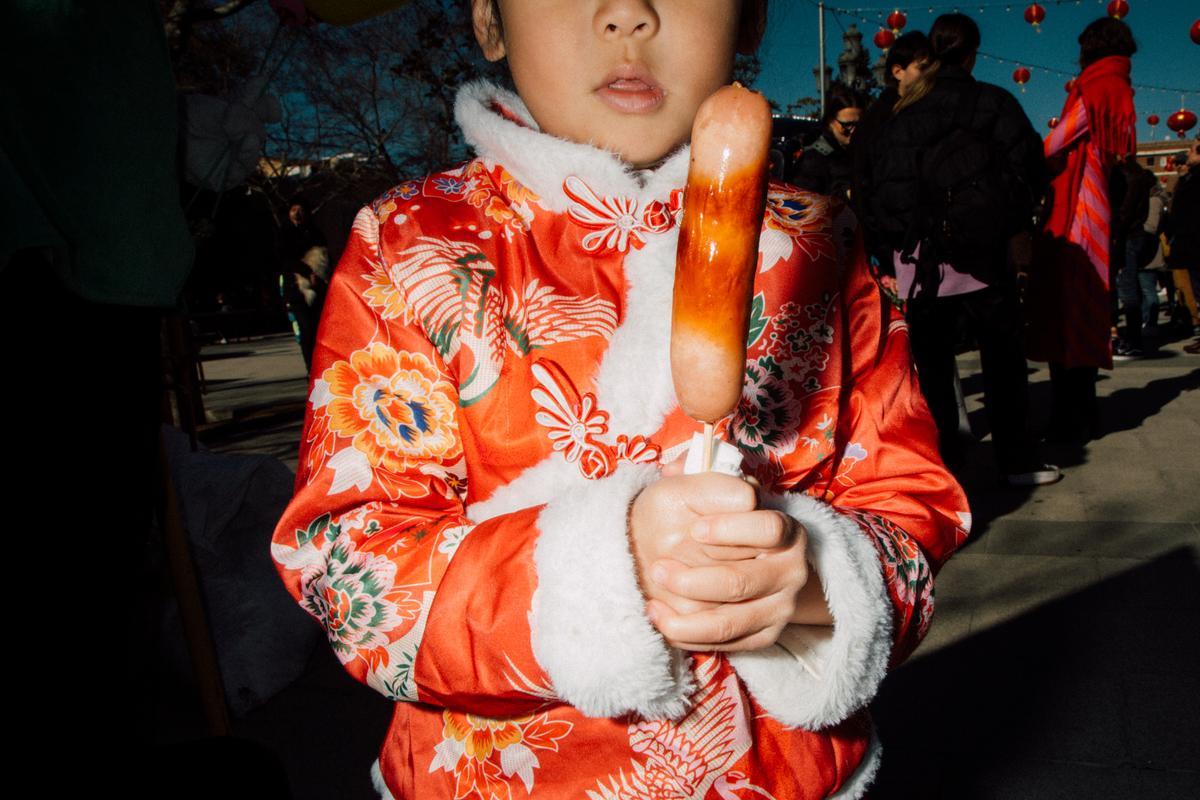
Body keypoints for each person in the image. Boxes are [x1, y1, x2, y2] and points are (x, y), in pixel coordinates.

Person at [270, 1, 968, 797]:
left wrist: (818, 582)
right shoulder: (408, 244)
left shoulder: (819, 242)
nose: (627, 13)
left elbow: (910, 503)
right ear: (490, 21)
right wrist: (591, 569)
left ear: (749, 22)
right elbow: (346, 561)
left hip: (786, 775)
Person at [858, 13, 1058, 486]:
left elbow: (876, 185)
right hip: (984, 253)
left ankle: (945, 462)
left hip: (919, 259)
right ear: (972, 53)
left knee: (931, 365)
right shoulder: (991, 101)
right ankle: (1016, 458)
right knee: (1003, 358)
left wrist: (890, 246)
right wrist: (1011, 224)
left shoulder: (900, 110)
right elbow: (1029, 167)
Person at [1025, 16, 1137, 442]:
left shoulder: (1094, 88)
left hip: (1078, 208)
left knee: (1066, 309)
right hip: (1096, 202)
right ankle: (1082, 411)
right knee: (1085, 311)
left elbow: (1055, 143)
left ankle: (1069, 416)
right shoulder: (1119, 84)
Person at [1110, 156, 1158, 357]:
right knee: (1131, 290)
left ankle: (1133, 340)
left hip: (1127, 237)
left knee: (1128, 290)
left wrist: (1114, 233)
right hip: (1132, 235)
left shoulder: (1127, 177)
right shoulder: (1136, 175)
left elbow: (1124, 212)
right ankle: (1133, 338)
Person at [788, 84, 865, 202]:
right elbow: (803, 205)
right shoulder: (813, 160)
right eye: (846, 125)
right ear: (830, 122)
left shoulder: (864, 152)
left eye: (858, 124)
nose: (853, 131)